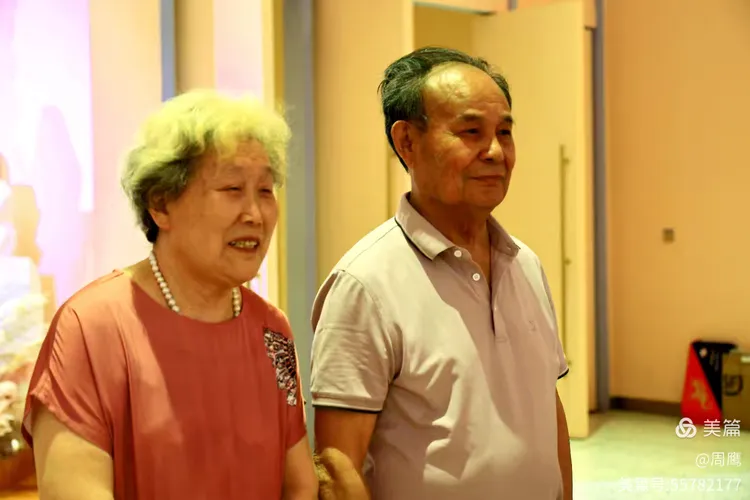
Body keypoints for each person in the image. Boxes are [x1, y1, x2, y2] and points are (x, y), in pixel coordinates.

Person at [22, 89, 318, 499]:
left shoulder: (272, 329)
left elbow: (300, 486)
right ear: (160, 205)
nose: (255, 214)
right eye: (232, 188)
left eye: (265, 191)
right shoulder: (91, 327)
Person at [309, 47, 573, 499]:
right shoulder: (365, 284)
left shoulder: (524, 264)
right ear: (407, 142)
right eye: (471, 132)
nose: (495, 152)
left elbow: (547, 410)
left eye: (504, 132)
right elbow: (337, 468)